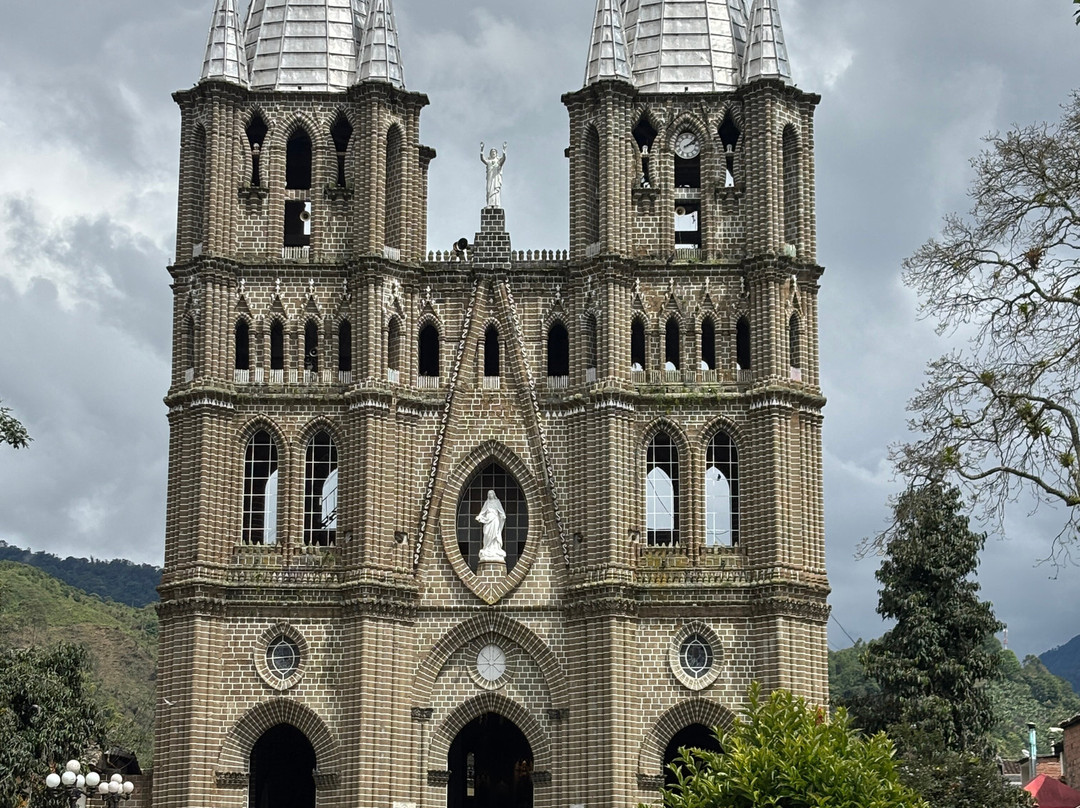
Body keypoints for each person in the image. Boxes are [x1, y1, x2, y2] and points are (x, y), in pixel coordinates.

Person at [475, 489, 507, 562]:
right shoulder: (487, 502)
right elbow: (483, 511)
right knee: (487, 533)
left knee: (495, 534)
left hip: (495, 519)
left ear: (494, 495)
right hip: (488, 520)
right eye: (489, 494)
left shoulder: (497, 502)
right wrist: (479, 516)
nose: (490, 495)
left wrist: (502, 516)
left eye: (491, 494)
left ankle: (495, 548)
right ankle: (487, 548)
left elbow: (501, 511)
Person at [480, 141, 507, 207]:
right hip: (490, 178)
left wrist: (504, 151)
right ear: (490, 154)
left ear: (496, 153)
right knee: (489, 190)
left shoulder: (498, 161)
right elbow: (482, 159)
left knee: (496, 191)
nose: (493, 153)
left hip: (496, 179)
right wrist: (482, 150)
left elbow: (503, 159)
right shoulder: (489, 161)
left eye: (494, 152)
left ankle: (497, 204)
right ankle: (489, 204)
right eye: (492, 152)